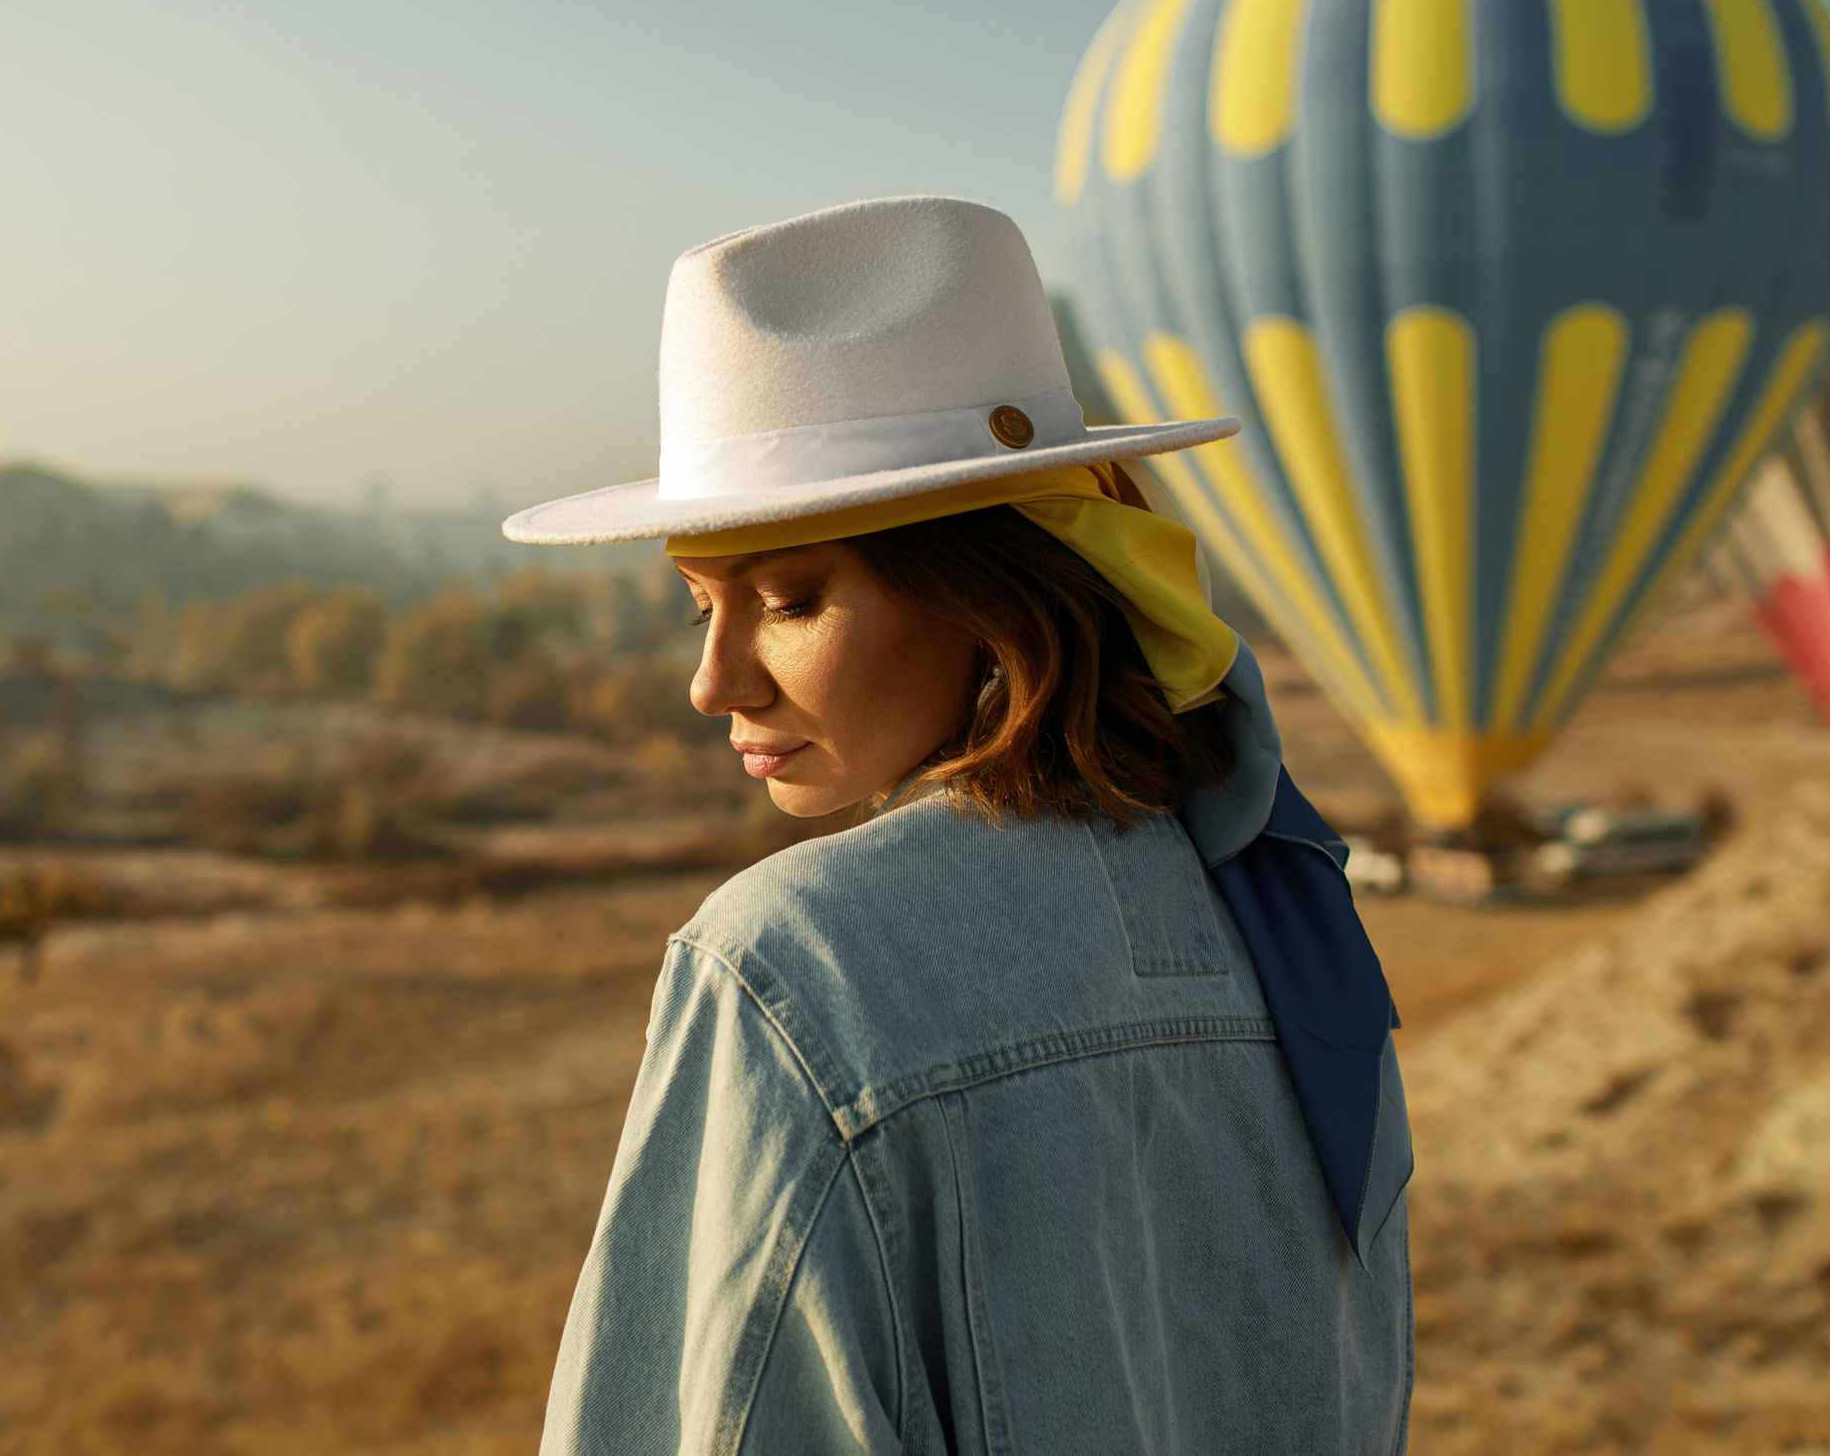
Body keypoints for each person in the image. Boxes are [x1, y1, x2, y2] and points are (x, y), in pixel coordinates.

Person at [505, 196, 1411, 1454]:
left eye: (786, 600)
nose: (714, 683)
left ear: (988, 594)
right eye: (697, 605)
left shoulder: (791, 962)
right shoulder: (1283, 906)